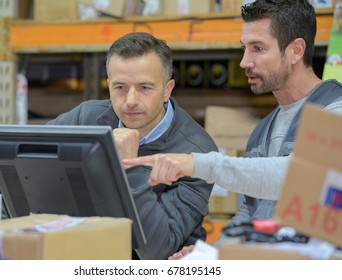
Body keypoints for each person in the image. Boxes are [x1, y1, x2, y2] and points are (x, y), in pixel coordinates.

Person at [123, 0, 342, 257]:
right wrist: (214, 253)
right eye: (244, 48)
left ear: (296, 50)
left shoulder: (334, 111)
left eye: (257, 48)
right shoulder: (262, 131)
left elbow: (297, 177)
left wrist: (197, 163)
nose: (244, 62)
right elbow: (247, 215)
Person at [47, 32, 218, 260]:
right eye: (120, 87)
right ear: (108, 86)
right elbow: (23, 153)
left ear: (167, 90)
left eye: (144, 88)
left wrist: (130, 167)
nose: (130, 100)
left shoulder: (197, 151)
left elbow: (157, 249)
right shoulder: (85, 119)